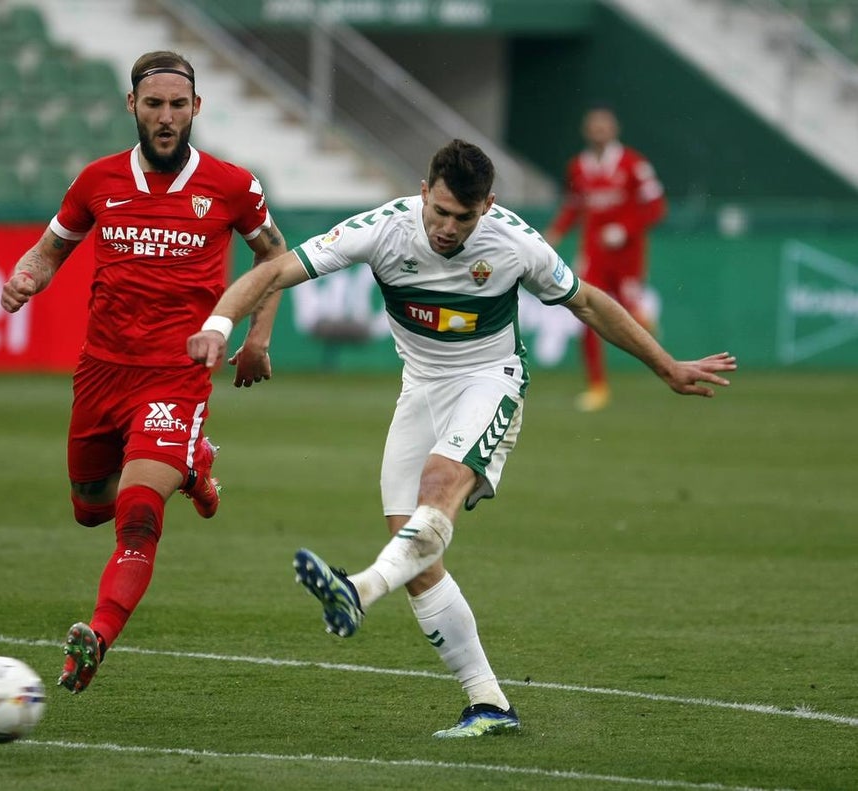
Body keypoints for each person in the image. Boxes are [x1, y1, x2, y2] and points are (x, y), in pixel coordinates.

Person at [186, 139, 734, 738]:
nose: (448, 228)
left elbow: (591, 304)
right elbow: (275, 270)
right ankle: (489, 702)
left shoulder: (514, 243)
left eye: (463, 218)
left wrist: (666, 367)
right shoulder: (384, 229)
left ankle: (358, 591)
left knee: (437, 487)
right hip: (419, 388)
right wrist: (219, 324)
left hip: (490, 380)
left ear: (488, 207)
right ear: (424, 192)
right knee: (417, 556)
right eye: (440, 212)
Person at [0, 50, 288, 695]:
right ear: (131, 105)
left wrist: (257, 338)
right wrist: (26, 279)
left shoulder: (231, 185)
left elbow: (276, 258)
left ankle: (96, 635)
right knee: (89, 509)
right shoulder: (97, 181)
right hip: (101, 372)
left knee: (136, 512)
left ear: (196, 109)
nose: (166, 117)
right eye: (154, 104)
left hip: (176, 374)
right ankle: (197, 463)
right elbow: (49, 251)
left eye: (178, 106)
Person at [542, 105, 667, 412]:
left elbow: (656, 207)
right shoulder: (578, 167)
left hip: (627, 257)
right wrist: (554, 234)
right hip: (594, 256)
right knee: (585, 313)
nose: (599, 132)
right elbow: (574, 206)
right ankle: (597, 386)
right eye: (594, 127)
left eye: (604, 127)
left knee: (634, 315)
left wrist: (625, 229)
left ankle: (665, 365)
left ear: (614, 130)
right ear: (586, 131)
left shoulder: (634, 164)